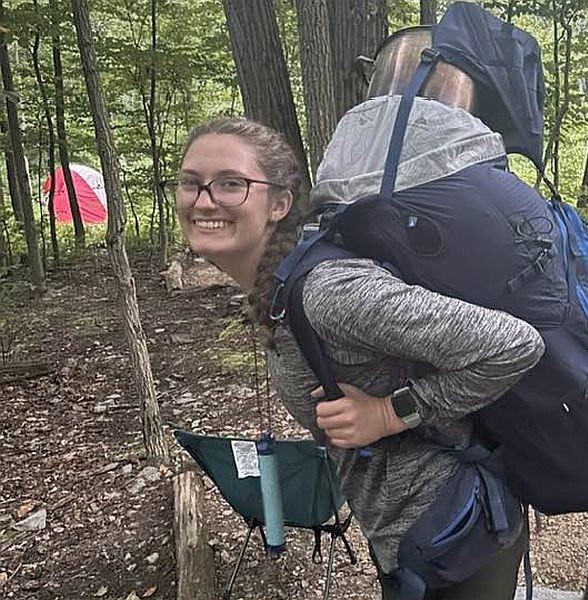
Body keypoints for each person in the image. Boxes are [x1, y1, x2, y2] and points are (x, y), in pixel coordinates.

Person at [166, 117, 545, 600]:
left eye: (231, 184)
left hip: (459, 533)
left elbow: (514, 344)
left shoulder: (331, 293)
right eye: (190, 182)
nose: (203, 199)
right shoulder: (274, 291)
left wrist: (389, 413)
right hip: (410, 539)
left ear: (279, 204)